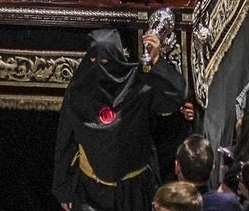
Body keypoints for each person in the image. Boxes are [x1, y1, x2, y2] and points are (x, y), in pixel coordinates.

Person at [50, 29, 184, 211]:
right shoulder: (79, 91)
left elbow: (175, 97)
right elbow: (65, 139)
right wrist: (63, 189)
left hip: (134, 189)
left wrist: (157, 62)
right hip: (91, 191)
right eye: (93, 60)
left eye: (105, 62)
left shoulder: (138, 86)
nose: (99, 67)